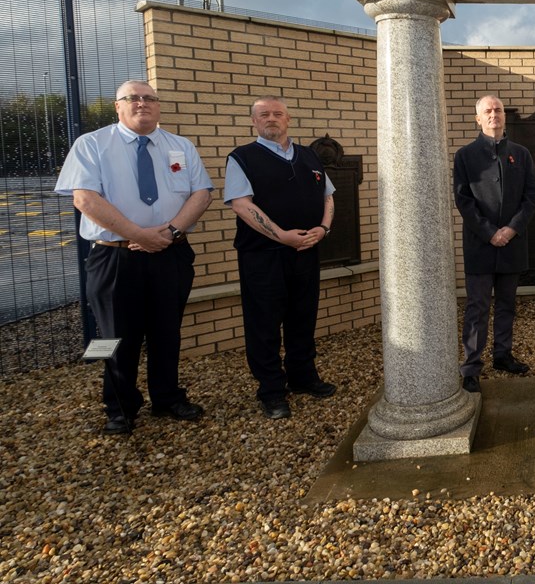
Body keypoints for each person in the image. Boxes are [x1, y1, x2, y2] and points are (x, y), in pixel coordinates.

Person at [55, 80, 213, 434]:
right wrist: (138, 234)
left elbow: (201, 194)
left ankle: (167, 397)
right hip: (115, 258)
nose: (142, 104)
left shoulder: (180, 146)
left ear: (158, 106)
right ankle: (120, 407)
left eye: (149, 98)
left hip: (170, 255)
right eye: (133, 98)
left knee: (167, 332)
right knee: (113, 336)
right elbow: (85, 199)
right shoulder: (92, 144)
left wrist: (169, 233)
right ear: (117, 106)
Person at [225, 96, 336, 420]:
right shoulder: (242, 157)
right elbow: (242, 204)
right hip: (264, 257)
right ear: (254, 122)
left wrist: (323, 229)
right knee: (264, 325)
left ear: (288, 119)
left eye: (277, 114)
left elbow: (328, 195)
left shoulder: (309, 155)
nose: (271, 119)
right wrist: (280, 235)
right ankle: (272, 390)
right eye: (264, 115)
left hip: (306, 253)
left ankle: (303, 378)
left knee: (303, 317)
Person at [452, 95, 535, 393]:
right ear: (477, 119)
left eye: (498, 110)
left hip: (512, 244)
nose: (494, 115)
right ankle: (471, 367)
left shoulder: (521, 154)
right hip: (480, 244)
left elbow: (532, 195)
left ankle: (503, 355)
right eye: (487, 111)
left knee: (507, 304)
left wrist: (512, 229)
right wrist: (490, 232)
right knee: (477, 307)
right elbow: (463, 201)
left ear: (504, 116)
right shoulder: (465, 156)